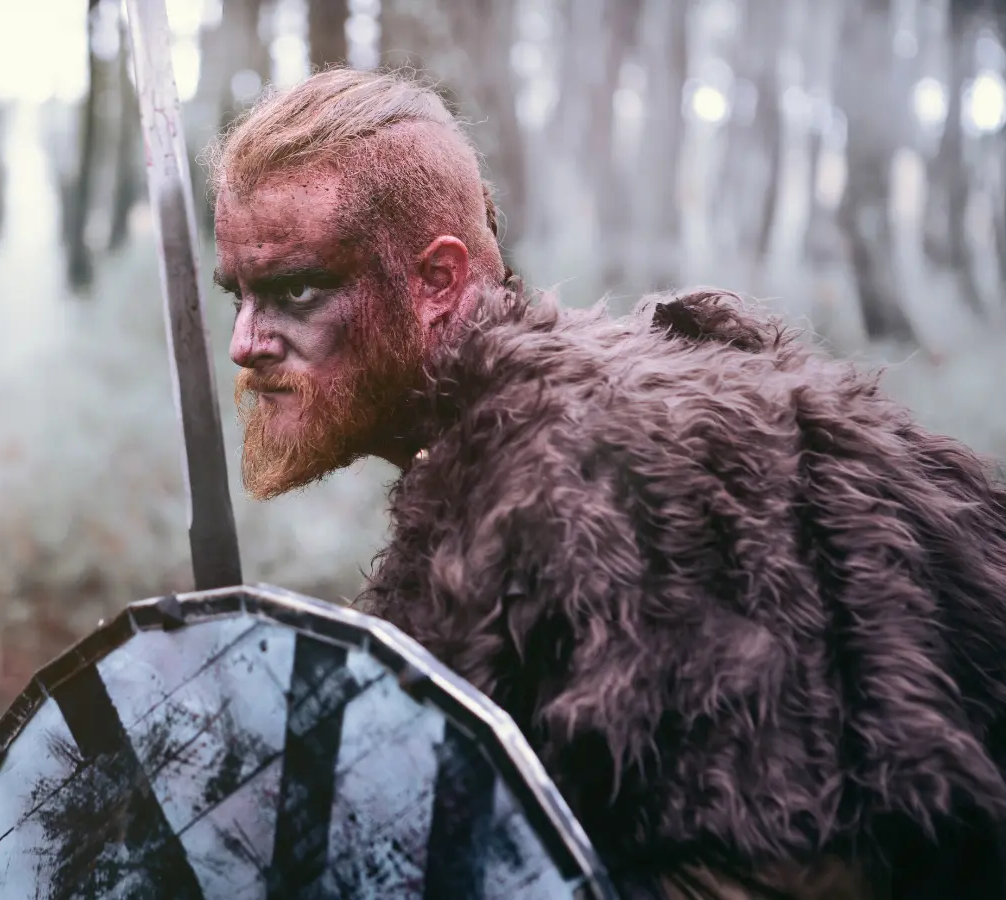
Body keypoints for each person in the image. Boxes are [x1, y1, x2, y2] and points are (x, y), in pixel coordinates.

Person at [208, 68, 1006, 899]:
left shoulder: (601, 473)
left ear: (437, 282)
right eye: (239, 295)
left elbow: (787, 866)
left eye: (295, 290)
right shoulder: (519, 443)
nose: (245, 341)